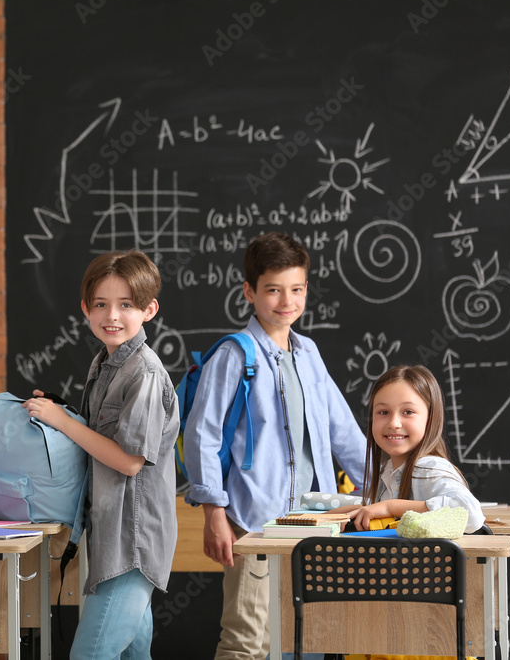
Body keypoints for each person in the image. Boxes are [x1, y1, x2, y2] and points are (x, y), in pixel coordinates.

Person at [183, 231, 367, 660]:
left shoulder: (309, 353)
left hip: (313, 522)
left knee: (307, 640)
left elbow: (345, 433)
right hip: (254, 524)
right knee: (247, 641)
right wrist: (214, 513)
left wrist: (385, 492)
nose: (287, 301)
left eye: (297, 289)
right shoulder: (234, 354)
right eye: (273, 290)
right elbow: (201, 435)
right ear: (250, 291)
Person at [23, 249, 178, 660]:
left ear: (149, 309)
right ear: (85, 309)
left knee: (89, 655)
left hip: (133, 543)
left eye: (126, 305)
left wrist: (61, 421)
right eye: (101, 304)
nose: (112, 315)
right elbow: (97, 439)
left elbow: (129, 460)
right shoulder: (105, 363)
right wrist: (61, 413)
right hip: (112, 535)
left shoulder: (143, 372)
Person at [340, 364, 484, 533]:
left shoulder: (428, 467)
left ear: (430, 419)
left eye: (408, 411)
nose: (394, 423)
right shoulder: (387, 471)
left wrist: (390, 507)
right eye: (383, 412)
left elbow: (471, 515)